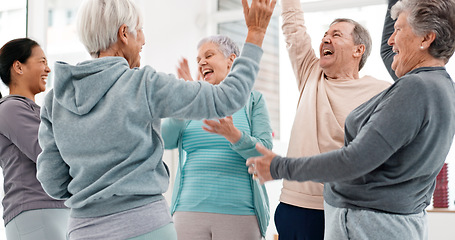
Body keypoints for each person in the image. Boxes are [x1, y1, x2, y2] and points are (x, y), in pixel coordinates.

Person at [35, 0, 276, 239]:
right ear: (124, 34)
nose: (143, 39)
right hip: (146, 227)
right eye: (139, 30)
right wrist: (256, 32)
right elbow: (230, 97)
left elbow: (53, 182)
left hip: (83, 230)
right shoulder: (144, 85)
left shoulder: (54, 100)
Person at [247, 0, 455, 239]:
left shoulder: (398, 89)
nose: (390, 39)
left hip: (366, 220)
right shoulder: (436, 85)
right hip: (312, 207)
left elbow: (356, 160)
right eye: (325, 33)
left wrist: (279, 166)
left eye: (398, 30)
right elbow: (295, 29)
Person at [274, 0, 391, 239]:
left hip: (340, 210)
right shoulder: (311, 73)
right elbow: (294, 29)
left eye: (336, 35)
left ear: (358, 50)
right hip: (292, 205)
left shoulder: (380, 92)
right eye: (325, 34)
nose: (325, 39)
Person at [162, 35, 273, 240]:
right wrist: (184, 103)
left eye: (209, 55)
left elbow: (265, 150)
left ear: (231, 61)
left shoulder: (253, 100)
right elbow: (165, 141)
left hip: (240, 211)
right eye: (198, 60)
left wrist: (235, 136)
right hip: (188, 210)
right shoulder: (192, 100)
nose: (201, 62)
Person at [0, 38, 69, 240]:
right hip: (34, 212)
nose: (48, 69)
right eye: (42, 62)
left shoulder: (37, 111)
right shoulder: (10, 108)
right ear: (18, 67)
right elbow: (47, 152)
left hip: (52, 210)